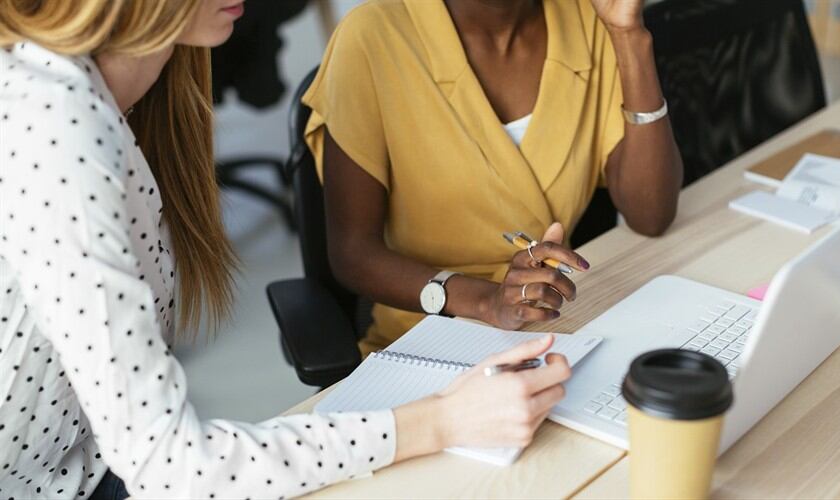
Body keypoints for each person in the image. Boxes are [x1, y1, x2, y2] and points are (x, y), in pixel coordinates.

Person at [0, 1, 571, 498]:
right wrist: (442, 420)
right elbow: (173, 468)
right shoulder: (55, 126)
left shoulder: (125, 96)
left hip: (83, 468)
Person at [305, 0, 684, 356]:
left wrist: (628, 35)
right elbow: (353, 253)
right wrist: (487, 301)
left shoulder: (588, 18)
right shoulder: (372, 35)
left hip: (559, 326)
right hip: (428, 342)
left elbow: (651, 214)